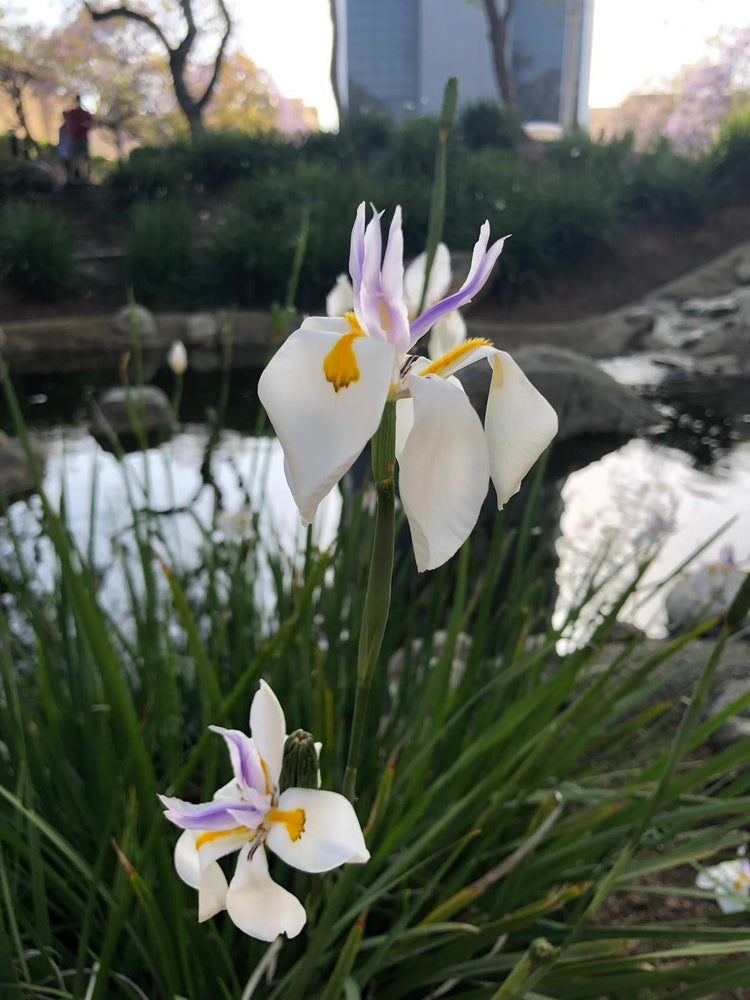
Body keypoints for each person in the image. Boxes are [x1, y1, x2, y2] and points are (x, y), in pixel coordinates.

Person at [63, 95, 94, 183]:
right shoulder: (72, 113)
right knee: (73, 158)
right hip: (75, 138)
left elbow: (91, 121)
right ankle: (73, 177)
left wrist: (85, 126)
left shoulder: (85, 113)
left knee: (85, 158)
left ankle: (87, 177)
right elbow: (64, 113)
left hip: (82, 139)